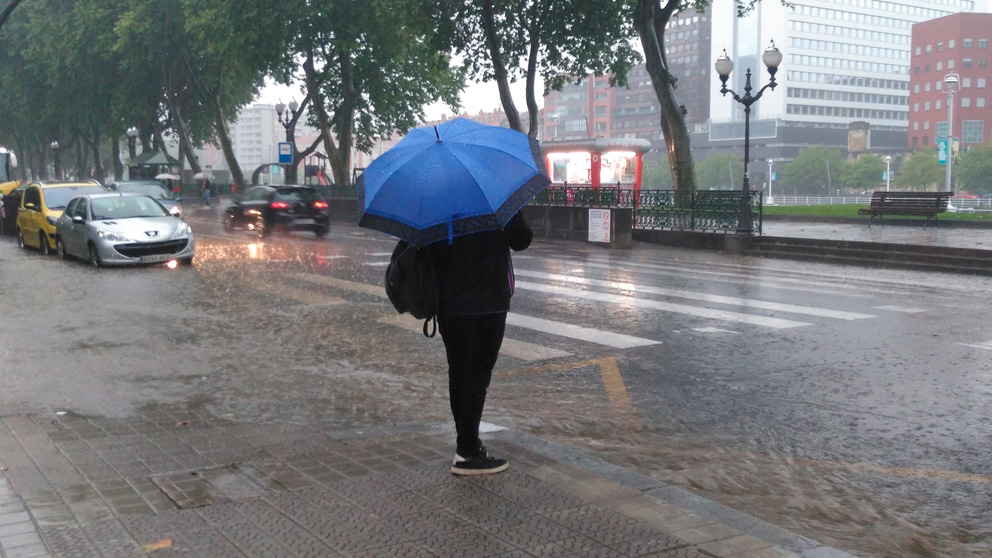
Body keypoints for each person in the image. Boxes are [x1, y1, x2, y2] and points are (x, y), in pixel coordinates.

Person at [426, 211, 533, 476]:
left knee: (459, 371)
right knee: (477, 375)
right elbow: (521, 240)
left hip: (449, 301)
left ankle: (467, 443)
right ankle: (467, 452)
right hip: (487, 301)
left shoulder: (439, 200)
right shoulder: (496, 199)